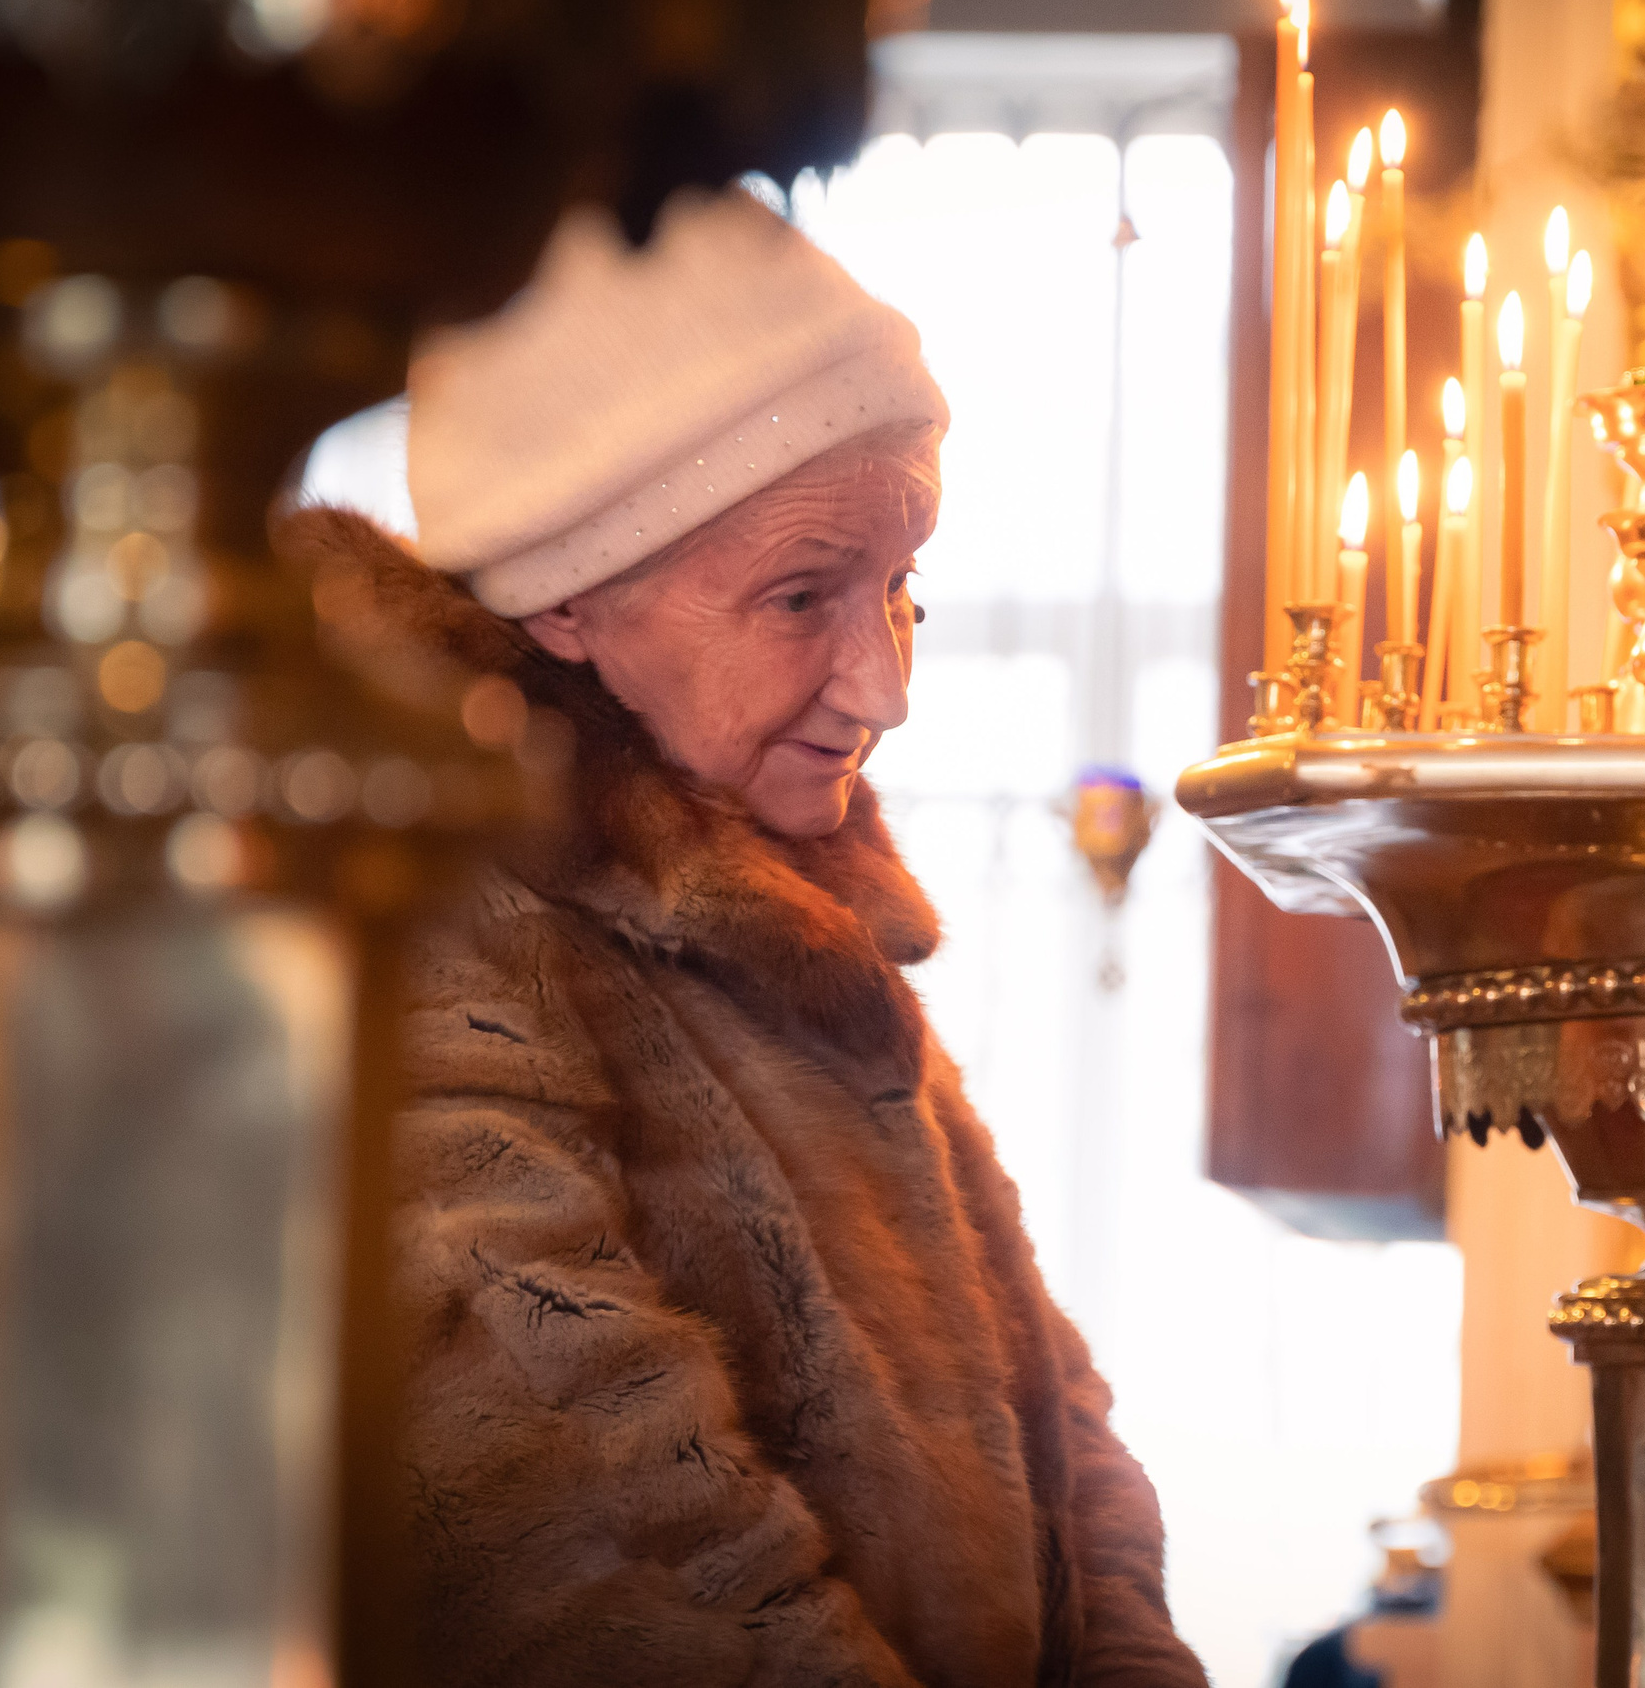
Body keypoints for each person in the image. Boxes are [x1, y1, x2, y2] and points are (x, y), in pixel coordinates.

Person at [280, 190, 1205, 1686]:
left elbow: (1049, 1399)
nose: (886, 685)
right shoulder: (433, 912)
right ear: (570, 599)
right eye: (802, 595)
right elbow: (587, 1506)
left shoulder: (788, 904)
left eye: (902, 590)